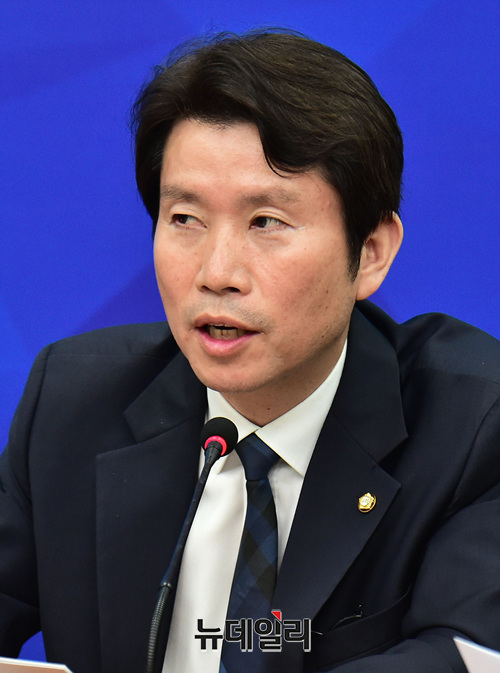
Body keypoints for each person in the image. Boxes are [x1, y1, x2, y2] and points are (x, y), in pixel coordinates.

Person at [1, 29, 499, 673]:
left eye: (266, 222)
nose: (217, 273)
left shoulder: (471, 428)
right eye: (185, 219)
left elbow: (465, 654)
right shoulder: (73, 404)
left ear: (371, 252)